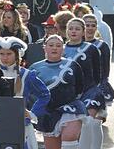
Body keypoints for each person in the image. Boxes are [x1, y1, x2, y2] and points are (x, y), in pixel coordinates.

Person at [0, 36, 51, 149]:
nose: (5, 57)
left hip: (20, 124)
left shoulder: (27, 75)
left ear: (17, 55)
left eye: (9, 54)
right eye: (2, 54)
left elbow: (44, 95)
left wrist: (32, 113)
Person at [32, 35, 85, 149]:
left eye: (58, 45)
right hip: (47, 112)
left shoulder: (72, 65)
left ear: (63, 48)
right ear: (44, 48)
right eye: (51, 45)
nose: (54, 48)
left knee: (69, 139)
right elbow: (30, 92)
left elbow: (80, 87)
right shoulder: (35, 68)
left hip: (70, 109)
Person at [63, 18, 103, 149]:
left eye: (77, 29)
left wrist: (95, 89)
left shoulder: (91, 48)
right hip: (69, 94)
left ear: (83, 32)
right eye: (71, 28)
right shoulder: (61, 48)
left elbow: (99, 73)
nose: (73, 31)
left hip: (89, 90)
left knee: (89, 122)